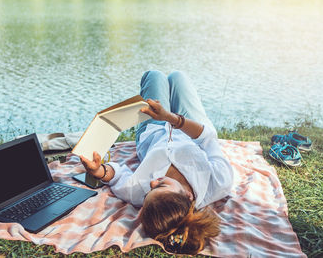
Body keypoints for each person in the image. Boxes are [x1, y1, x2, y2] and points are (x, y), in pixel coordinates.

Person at [80, 70, 234, 254]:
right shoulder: (218, 182)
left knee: (153, 76)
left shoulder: (139, 195)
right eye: (160, 185)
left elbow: (117, 175)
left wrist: (99, 171)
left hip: (153, 130)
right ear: (187, 195)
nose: (152, 183)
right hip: (192, 127)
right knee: (178, 77)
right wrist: (170, 117)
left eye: (149, 191)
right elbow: (208, 138)